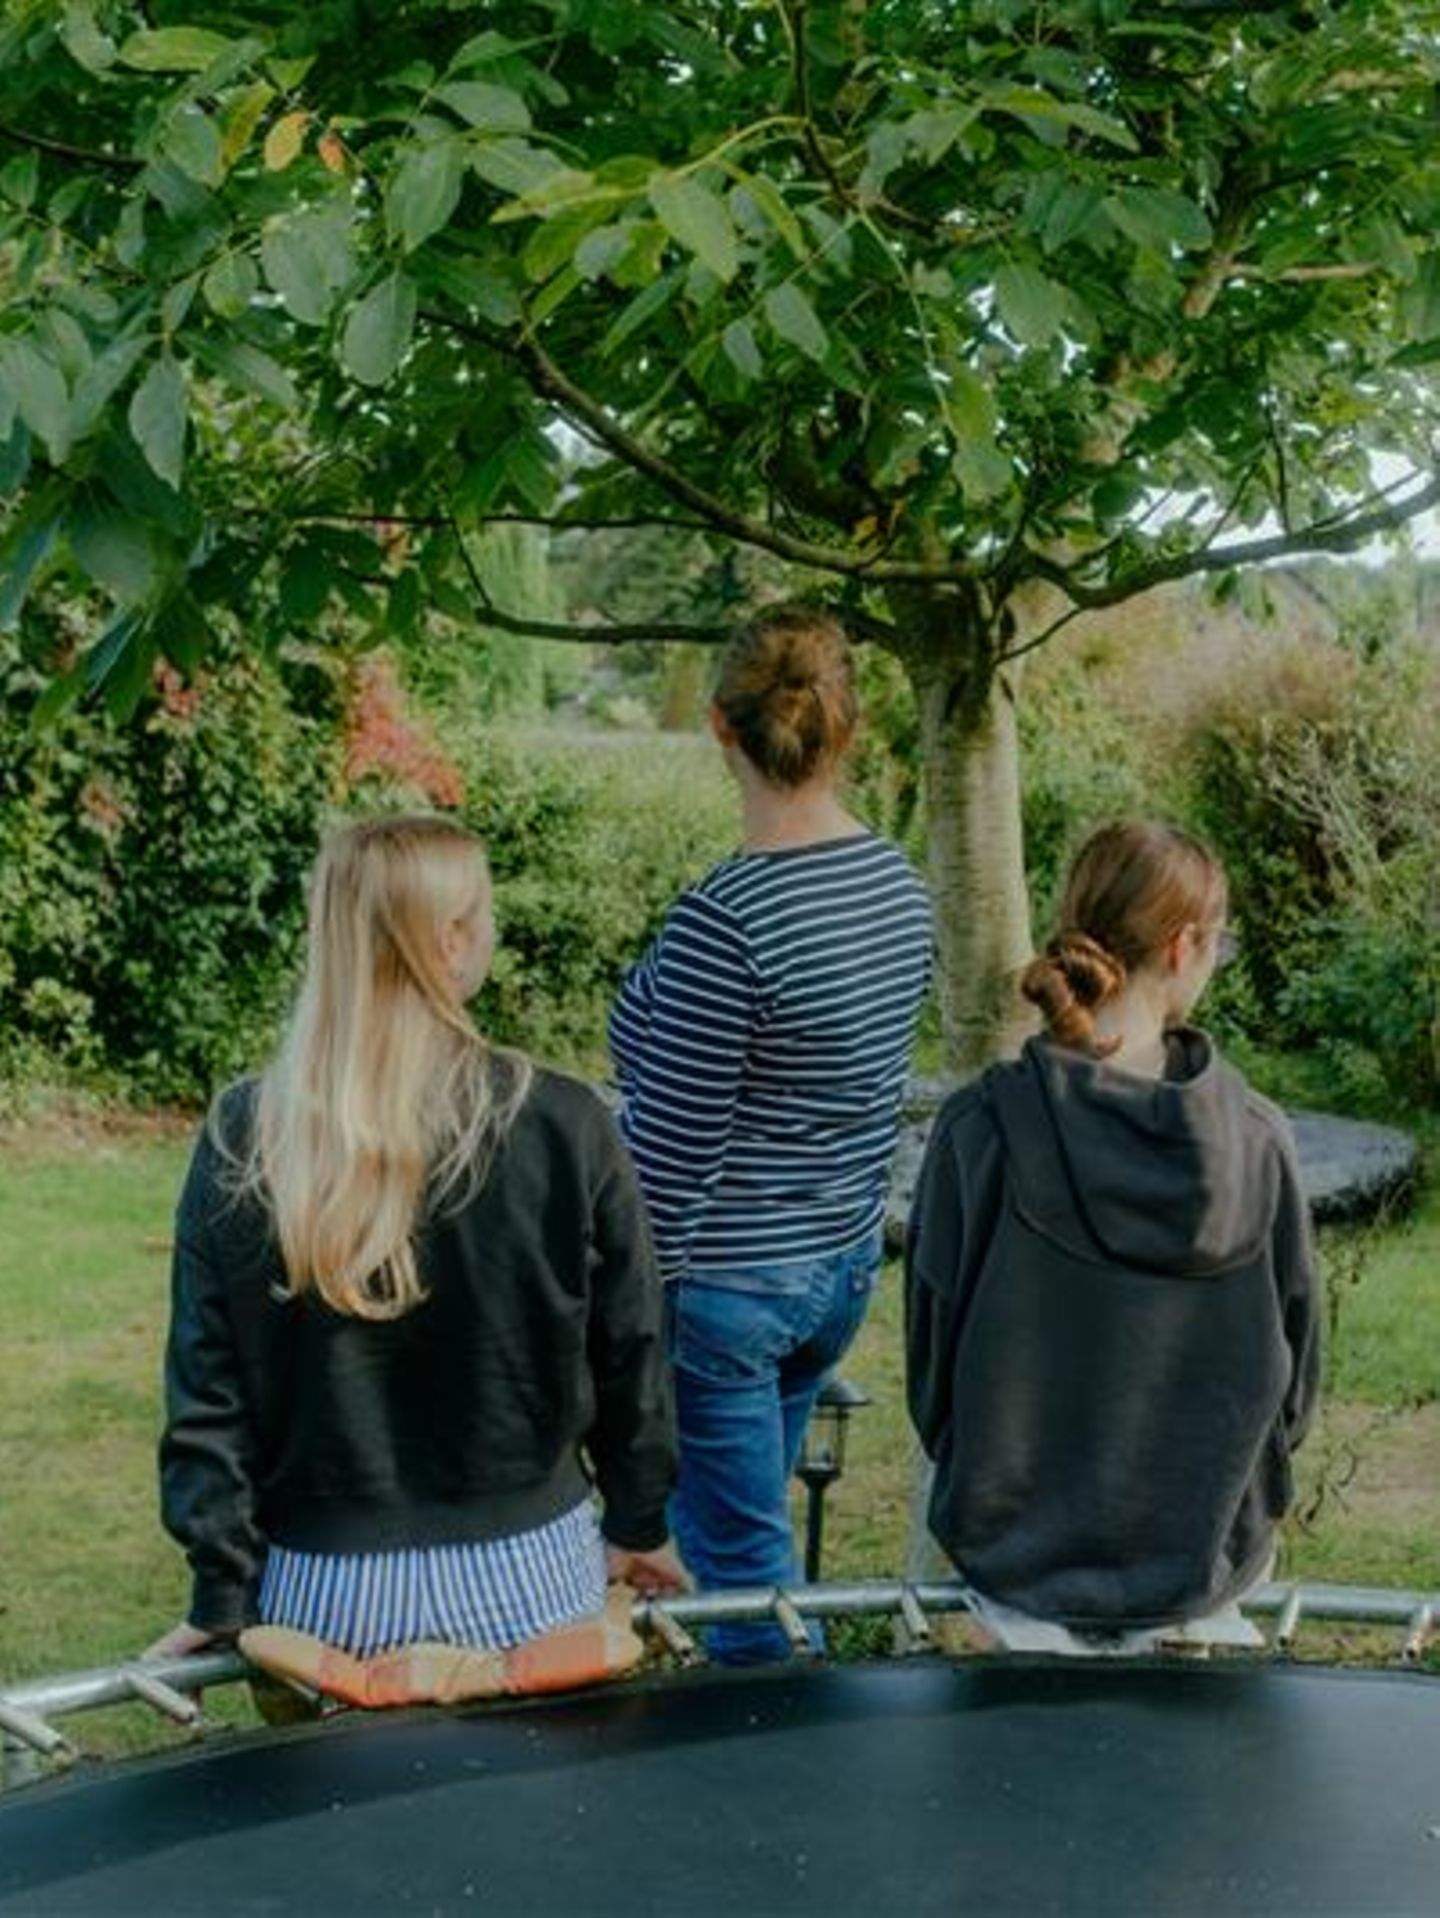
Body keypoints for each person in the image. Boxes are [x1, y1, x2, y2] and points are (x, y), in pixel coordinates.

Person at [148, 815, 682, 1701]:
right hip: (530, 1575)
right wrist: (639, 1516)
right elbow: (631, 1350)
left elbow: (208, 1395)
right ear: (452, 937)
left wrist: (223, 1584)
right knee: (540, 1834)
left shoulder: (249, 1136)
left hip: (320, 1599)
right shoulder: (562, 1123)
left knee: (337, 1841)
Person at [905, 820, 1320, 1652]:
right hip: (1206, 1562)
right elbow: (1299, 1380)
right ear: (1182, 946)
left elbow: (932, 1368)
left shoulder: (979, 1129)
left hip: (1015, 1567)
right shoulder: (1258, 1139)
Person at [610, 606, 932, 1662]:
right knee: (756, 1548)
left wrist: (620, 1316)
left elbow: (669, 1160)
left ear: (719, 725)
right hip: (836, 1269)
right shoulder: (897, 886)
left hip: (730, 1297)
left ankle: (786, 1790)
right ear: (850, 728)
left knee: (738, 1584)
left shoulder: (725, 919)